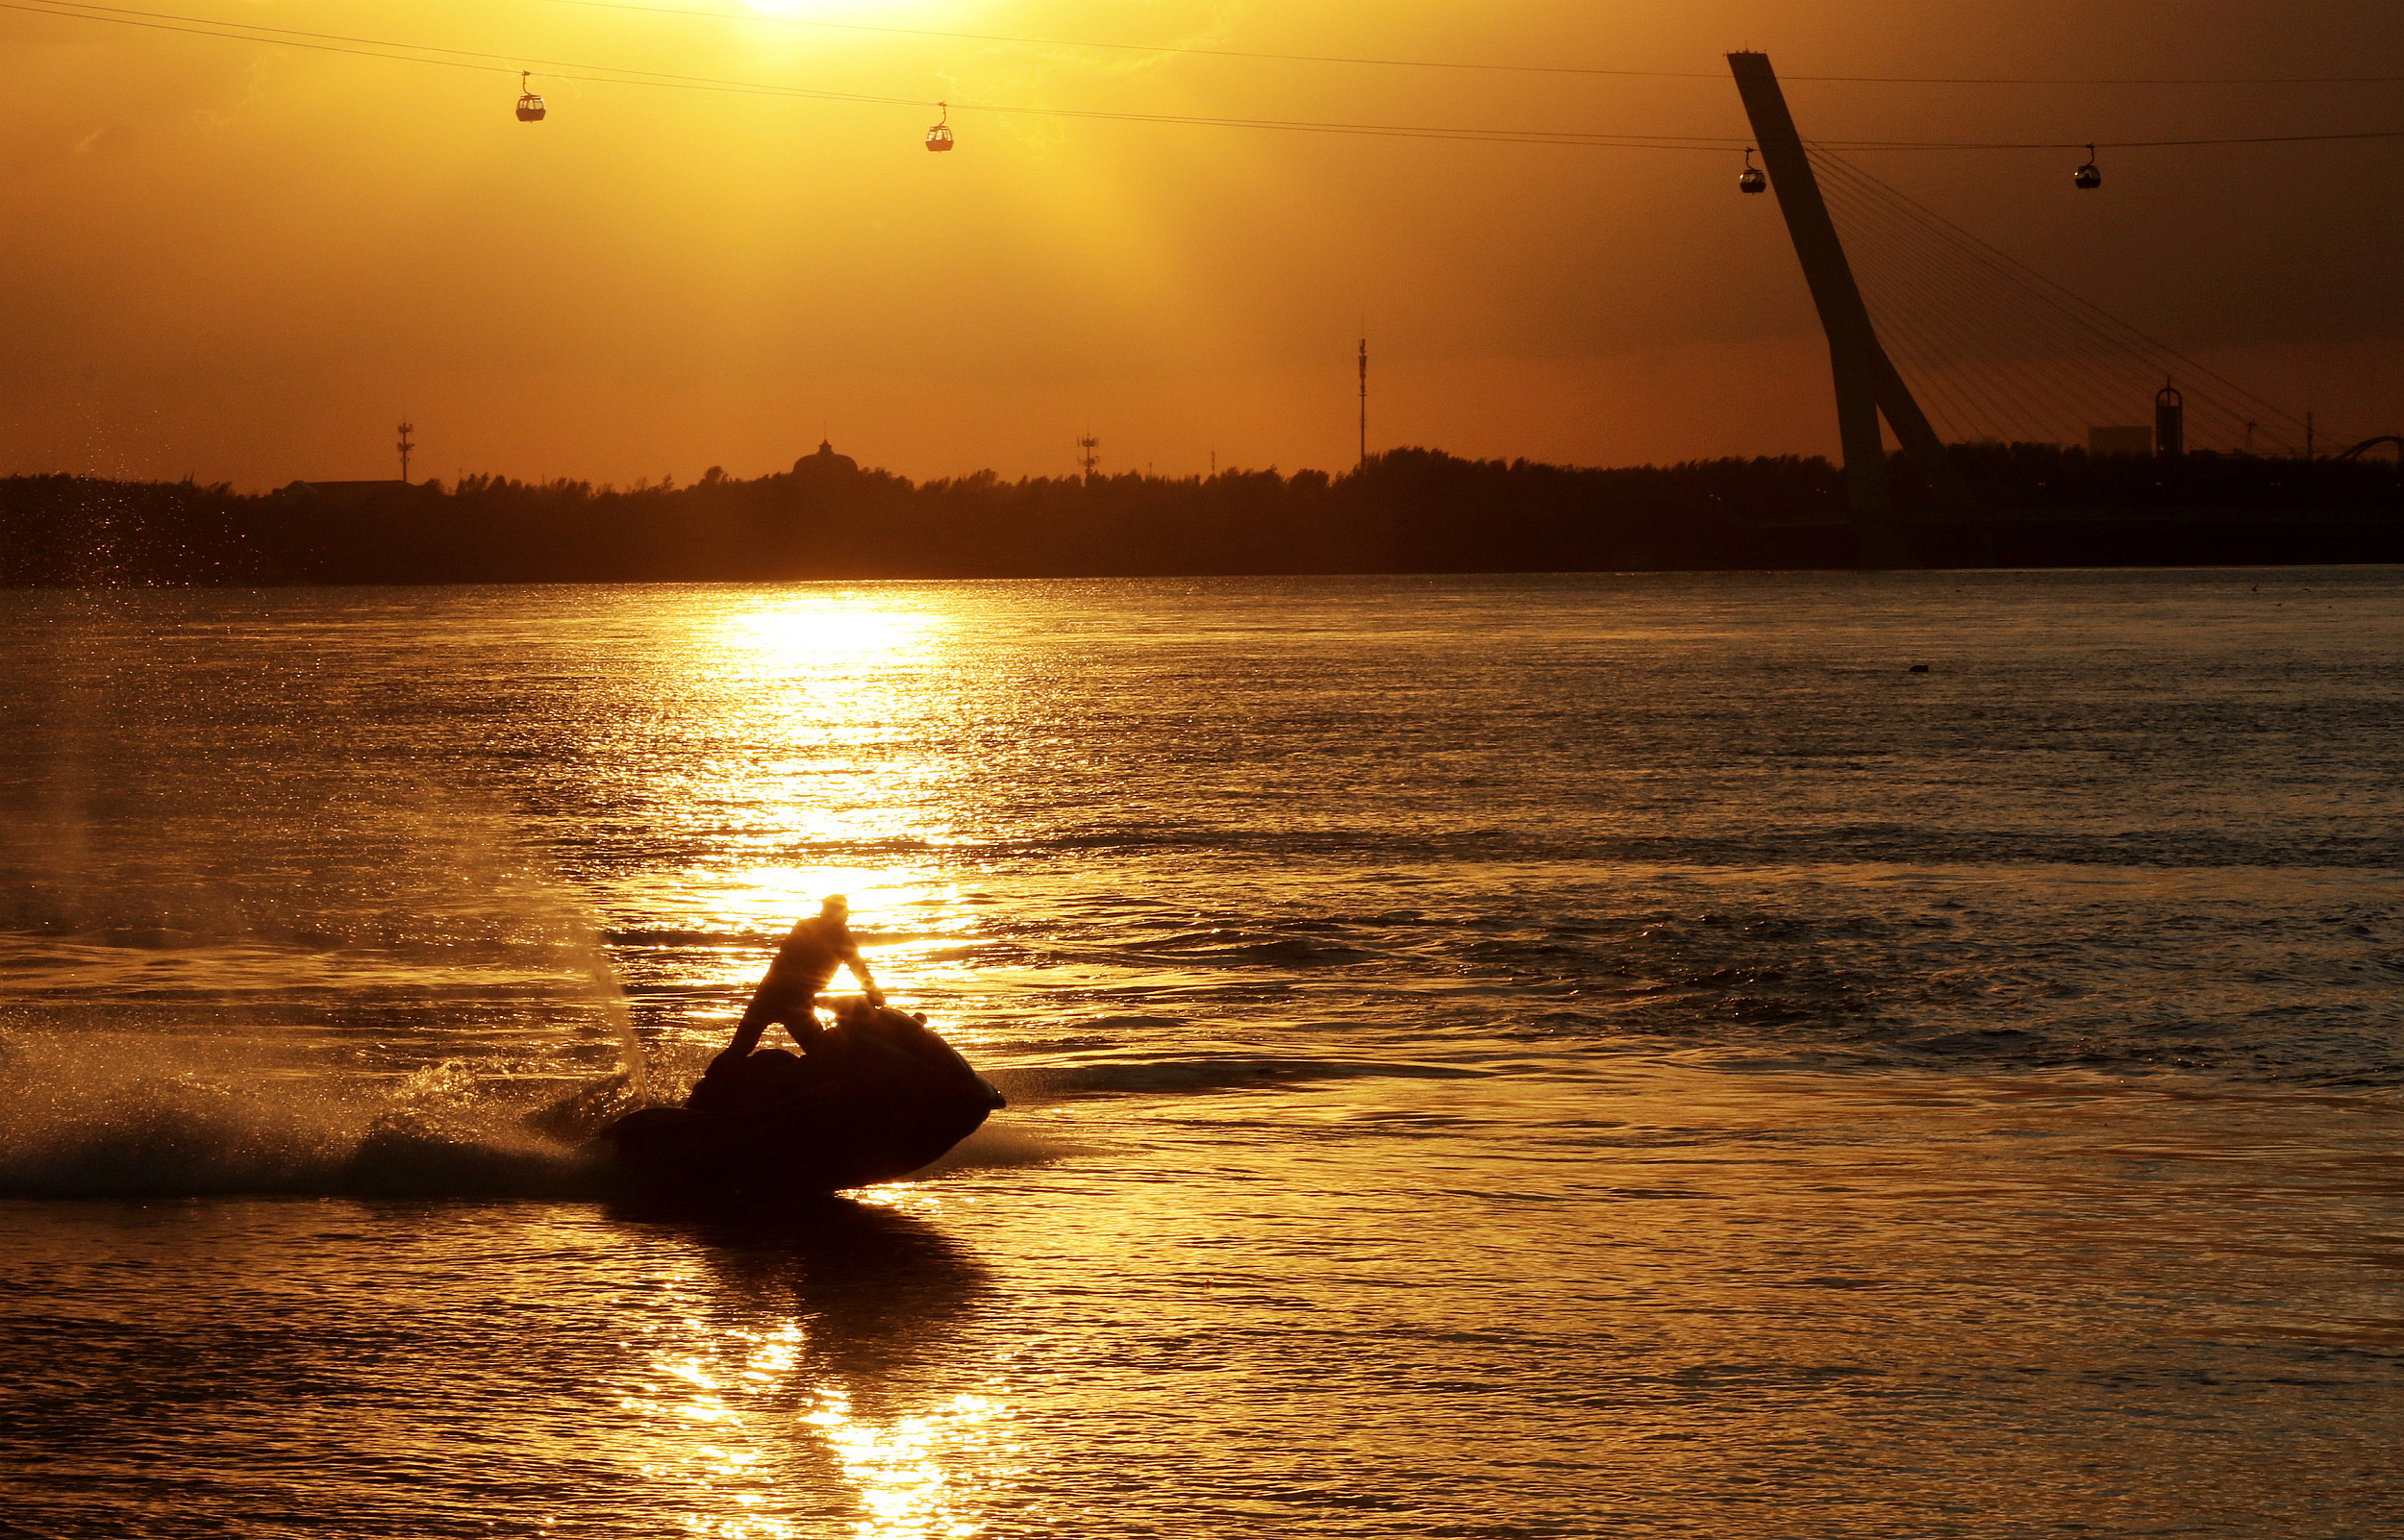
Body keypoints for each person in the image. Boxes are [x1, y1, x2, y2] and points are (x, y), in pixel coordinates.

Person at [689, 896, 885, 1113]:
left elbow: (794, 962)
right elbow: (857, 967)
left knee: (739, 1049)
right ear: (837, 914)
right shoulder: (838, 936)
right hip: (794, 1002)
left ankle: (704, 1092)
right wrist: (873, 992)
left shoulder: (805, 927)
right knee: (821, 1053)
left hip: (768, 995)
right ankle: (823, 1102)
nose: (845, 916)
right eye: (842, 912)